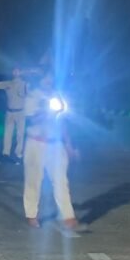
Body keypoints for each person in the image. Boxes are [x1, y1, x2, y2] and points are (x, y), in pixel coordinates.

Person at [22, 71, 87, 232]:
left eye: (51, 78)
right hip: (35, 144)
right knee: (33, 181)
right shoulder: (32, 97)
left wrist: (69, 145)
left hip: (55, 146)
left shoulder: (56, 96)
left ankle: (69, 218)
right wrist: (46, 111)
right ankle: (31, 215)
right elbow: (31, 119)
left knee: (61, 181)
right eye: (46, 78)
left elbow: (63, 122)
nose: (49, 81)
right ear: (40, 80)